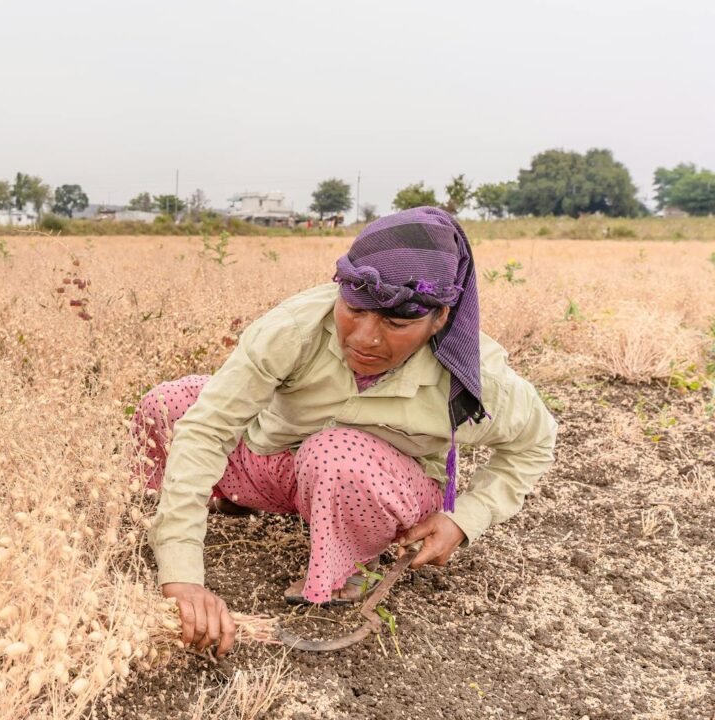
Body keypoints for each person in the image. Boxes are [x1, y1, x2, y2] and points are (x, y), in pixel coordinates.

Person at [131, 207, 557, 657]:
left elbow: (535, 443)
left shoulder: (477, 379)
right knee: (171, 405)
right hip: (278, 465)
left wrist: (463, 517)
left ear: (441, 318)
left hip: (377, 489)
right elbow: (208, 428)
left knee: (336, 453)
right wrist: (181, 575)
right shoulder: (296, 327)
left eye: (396, 324)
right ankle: (217, 504)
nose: (366, 338)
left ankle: (347, 565)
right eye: (354, 310)